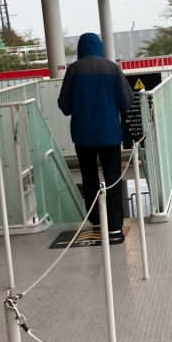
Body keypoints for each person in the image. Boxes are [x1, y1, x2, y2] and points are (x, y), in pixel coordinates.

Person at [58, 33, 135, 242]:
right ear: (100, 47)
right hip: (109, 134)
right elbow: (127, 101)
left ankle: (96, 220)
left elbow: (64, 106)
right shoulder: (112, 68)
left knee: (89, 177)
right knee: (113, 178)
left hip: (83, 135)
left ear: (81, 49)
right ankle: (115, 227)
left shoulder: (73, 70)